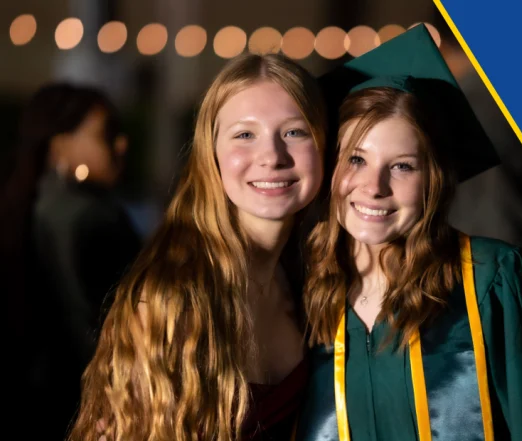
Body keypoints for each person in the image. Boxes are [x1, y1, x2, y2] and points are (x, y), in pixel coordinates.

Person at [294, 25, 522, 441]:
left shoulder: (495, 281)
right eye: (356, 159)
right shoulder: (297, 293)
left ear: (433, 180)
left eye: (403, 166)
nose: (373, 186)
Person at [66, 53, 329, 441]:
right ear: (212, 154)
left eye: (294, 131)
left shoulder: (307, 275)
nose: (272, 156)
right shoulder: (173, 301)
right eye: (244, 135)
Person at [0, 83, 141, 441]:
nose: (121, 144)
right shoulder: (83, 218)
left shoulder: (34, 205)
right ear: (60, 143)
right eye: (106, 133)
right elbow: (89, 323)